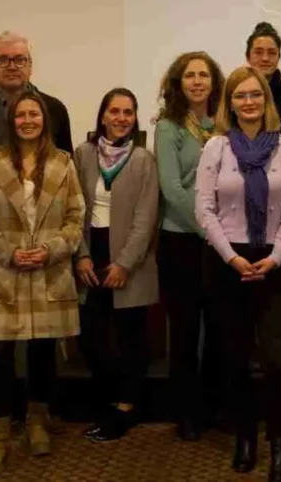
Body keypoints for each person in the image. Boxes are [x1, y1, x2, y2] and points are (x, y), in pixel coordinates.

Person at [0, 92, 85, 477]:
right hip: (4, 273)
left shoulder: (63, 165)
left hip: (48, 272)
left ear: (44, 120)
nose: (28, 120)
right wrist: (6, 251)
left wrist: (51, 250)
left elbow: (75, 218)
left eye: (35, 114)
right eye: (21, 115)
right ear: (11, 120)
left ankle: (37, 423)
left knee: (42, 352)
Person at [196, 66, 281, 482]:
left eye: (255, 94)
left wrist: (276, 256)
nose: (249, 102)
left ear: (266, 100)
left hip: (271, 262)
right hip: (228, 263)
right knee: (235, 357)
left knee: (276, 360)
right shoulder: (216, 147)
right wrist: (231, 257)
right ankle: (245, 438)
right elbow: (204, 209)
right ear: (230, 103)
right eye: (240, 96)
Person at [0, 31, 74, 288]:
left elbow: (66, 164)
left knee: (43, 299)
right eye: (3, 59)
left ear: (30, 65)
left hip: (45, 225)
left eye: (19, 59)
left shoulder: (54, 110)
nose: (11, 66)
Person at [73, 88, 159, 441]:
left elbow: (146, 217)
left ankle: (127, 406)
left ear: (135, 118)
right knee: (91, 338)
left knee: (130, 338)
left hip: (129, 258)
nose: (121, 118)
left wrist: (124, 263)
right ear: (103, 116)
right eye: (115, 111)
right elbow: (73, 209)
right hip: (91, 253)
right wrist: (80, 253)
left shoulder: (144, 160)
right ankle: (107, 398)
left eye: (128, 112)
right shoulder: (83, 154)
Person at [154, 51, 225, 440]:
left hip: (219, 244)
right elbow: (172, 189)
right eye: (189, 76)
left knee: (217, 329)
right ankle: (186, 412)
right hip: (182, 240)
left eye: (204, 75)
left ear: (214, 82)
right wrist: (209, 229)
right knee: (183, 332)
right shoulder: (168, 127)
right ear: (179, 84)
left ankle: (214, 407)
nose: (197, 81)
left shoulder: (225, 123)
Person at [246, 22, 281, 116]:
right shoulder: (236, 93)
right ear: (248, 57)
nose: (265, 58)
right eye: (258, 52)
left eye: (272, 53)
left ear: (278, 57)